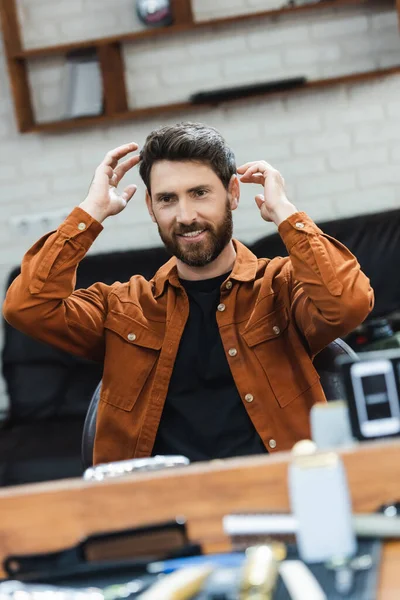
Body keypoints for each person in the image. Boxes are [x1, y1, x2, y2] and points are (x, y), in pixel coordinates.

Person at [3, 123, 374, 465]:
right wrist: (91, 212)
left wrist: (286, 214)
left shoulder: (281, 285)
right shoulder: (123, 306)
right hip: (160, 508)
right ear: (151, 207)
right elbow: (27, 307)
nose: (185, 215)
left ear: (232, 193)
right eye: (167, 199)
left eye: (199, 193)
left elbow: (349, 303)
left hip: (277, 492)